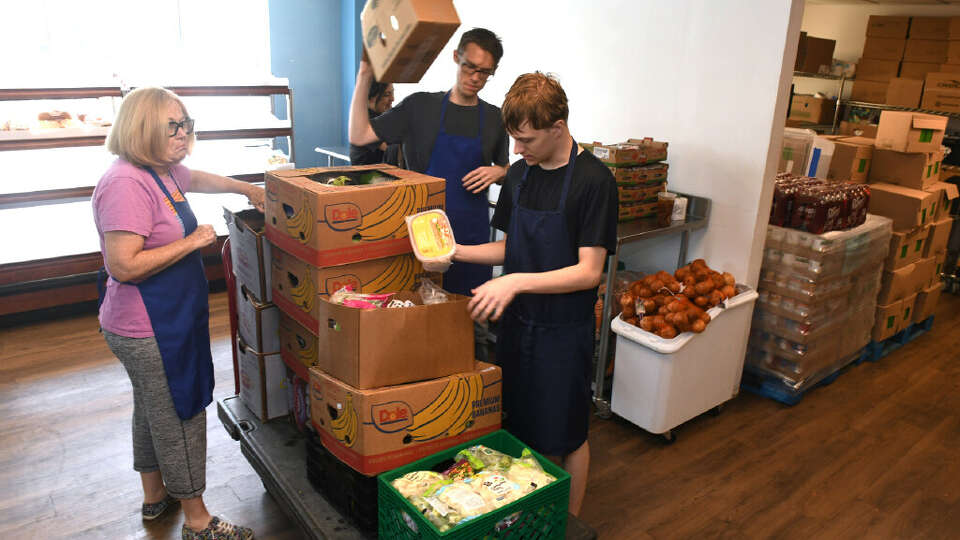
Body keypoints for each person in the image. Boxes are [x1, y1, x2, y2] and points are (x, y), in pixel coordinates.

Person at [91, 87, 264, 540]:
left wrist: (246, 188)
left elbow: (196, 179)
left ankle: (155, 498)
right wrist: (191, 241)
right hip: (148, 326)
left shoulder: (160, 171)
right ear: (142, 128)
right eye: (173, 126)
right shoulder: (126, 182)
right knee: (179, 413)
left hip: (160, 320)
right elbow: (123, 264)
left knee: (150, 409)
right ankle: (198, 520)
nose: (184, 133)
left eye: (187, 124)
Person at [447, 73, 618, 516]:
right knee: (520, 426)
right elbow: (511, 247)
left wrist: (515, 280)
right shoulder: (521, 175)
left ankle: (568, 524)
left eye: (526, 139)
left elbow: (588, 272)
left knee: (566, 434)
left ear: (558, 128)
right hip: (518, 327)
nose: (517, 151)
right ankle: (526, 514)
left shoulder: (594, 181)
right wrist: (455, 252)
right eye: (514, 140)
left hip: (563, 333)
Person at [349, 27, 509, 296]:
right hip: (424, 238)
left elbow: (506, 168)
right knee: (421, 319)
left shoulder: (495, 118)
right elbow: (360, 134)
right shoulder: (419, 108)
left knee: (468, 325)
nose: (475, 77)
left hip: (473, 241)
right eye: (470, 67)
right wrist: (364, 75)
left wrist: (498, 172)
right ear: (456, 57)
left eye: (485, 72)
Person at [348, 81, 400, 165]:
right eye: (387, 94)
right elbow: (390, 148)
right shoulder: (367, 121)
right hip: (367, 174)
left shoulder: (381, 117)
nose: (392, 98)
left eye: (392, 93)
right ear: (371, 97)